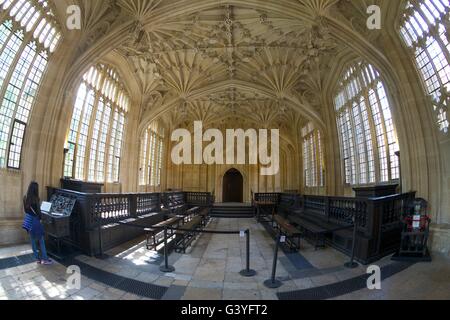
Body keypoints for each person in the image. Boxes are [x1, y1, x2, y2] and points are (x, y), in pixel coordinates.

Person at [23, 182, 52, 265]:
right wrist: (41, 218)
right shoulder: (36, 199)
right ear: (36, 189)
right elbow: (39, 213)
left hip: (29, 222)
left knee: (33, 241)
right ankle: (45, 259)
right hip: (36, 221)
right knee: (41, 240)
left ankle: (37, 259)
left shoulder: (25, 198)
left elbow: (26, 211)